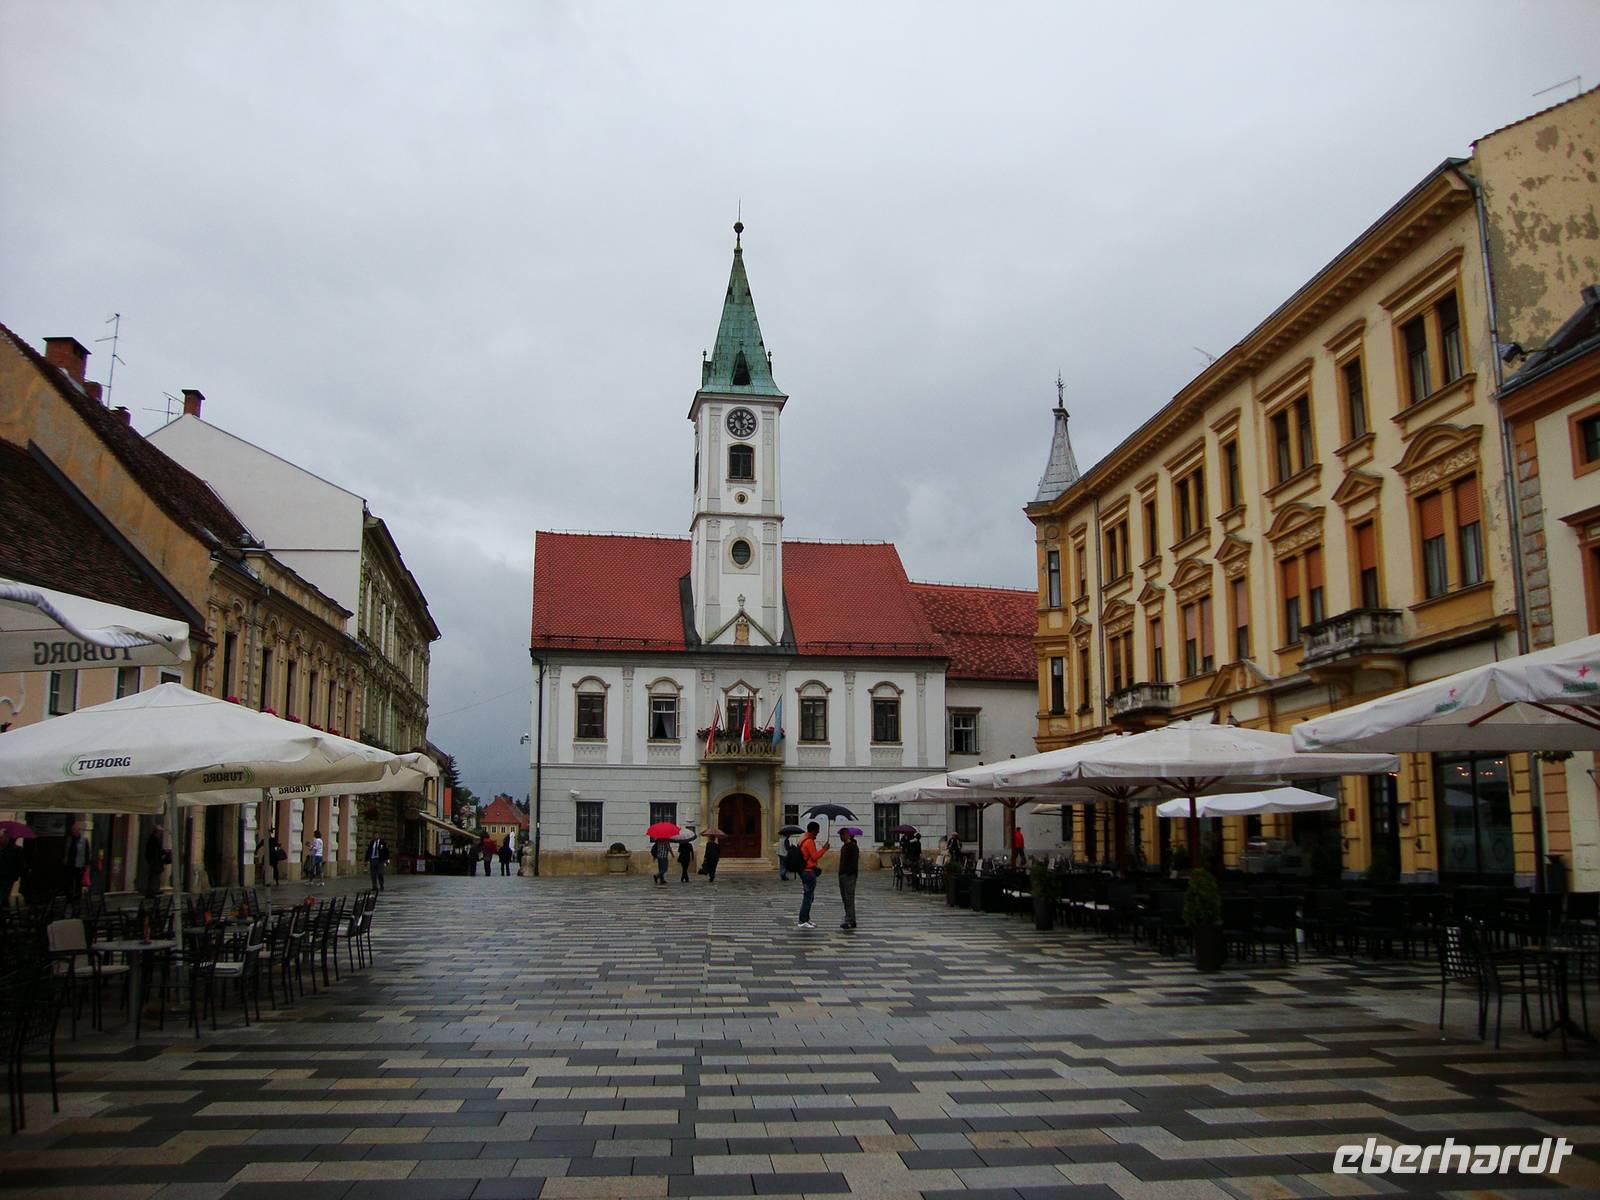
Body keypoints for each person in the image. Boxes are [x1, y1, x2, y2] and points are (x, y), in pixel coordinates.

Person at [796, 821, 829, 929]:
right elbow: (814, 856)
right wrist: (824, 849)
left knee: (809, 896)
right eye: (817, 830)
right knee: (808, 896)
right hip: (808, 872)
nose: (818, 832)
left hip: (803, 871)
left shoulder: (802, 839)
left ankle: (806, 918)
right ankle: (803, 920)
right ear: (814, 830)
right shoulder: (809, 841)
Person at [837, 826, 859, 930]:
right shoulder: (844, 847)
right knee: (845, 898)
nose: (841, 837)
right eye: (840, 835)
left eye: (842, 835)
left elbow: (853, 862)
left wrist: (849, 872)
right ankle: (849, 918)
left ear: (847, 835)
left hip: (849, 875)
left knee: (849, 898)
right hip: (843, 875)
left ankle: (850, 920)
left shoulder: (852, 846)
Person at [63, 820, 89, 902]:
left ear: (78, 830)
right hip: (70, 863)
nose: (73, 831)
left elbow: (87, 852)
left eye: (75, 830)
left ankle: (78, 896)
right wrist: (65, 859)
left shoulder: (84, 840)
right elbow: (66, 850)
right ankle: (69, 896)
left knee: (78, 881)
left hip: (80, 864)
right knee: (69, 881)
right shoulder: (69, 839)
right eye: (72, 830)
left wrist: (86, 864)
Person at [143, 819, 169, 897]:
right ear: (156, 832)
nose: (161, 834)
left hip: (155, 860)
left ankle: (155, 890)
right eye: (160, 832)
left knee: (156, 876)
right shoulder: (154, 839)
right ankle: (151, 891)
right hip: (154, 861)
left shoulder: (154, 839)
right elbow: (156, 851)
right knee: (153, 876)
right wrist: (165, 852)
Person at [0, 829, 20, 908]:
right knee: (4, 895)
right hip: (8, 876)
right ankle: (5, 912)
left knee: (4, 895)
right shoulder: (17, 849)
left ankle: (4, 912)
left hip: (6, 875)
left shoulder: (7, 849)